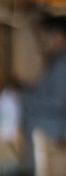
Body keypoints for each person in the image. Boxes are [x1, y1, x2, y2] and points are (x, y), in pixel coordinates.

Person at [21, 15, 66, 161]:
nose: (40, 42)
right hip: (48, 138)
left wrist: (22, 98)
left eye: (43, 37)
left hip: (51, 139)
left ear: (57, 35)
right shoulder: (57, 61)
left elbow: (57, 102)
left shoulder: (62, 64)